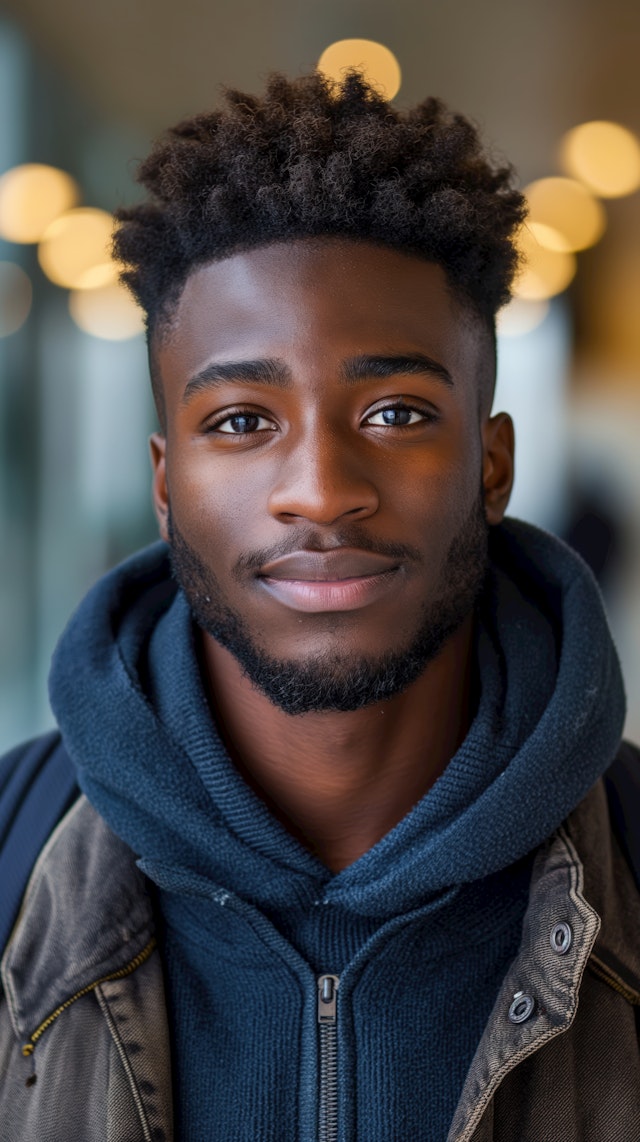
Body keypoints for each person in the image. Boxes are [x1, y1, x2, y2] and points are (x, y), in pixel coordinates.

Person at [1, 71, 639, 1142]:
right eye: (243, 420)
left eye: (393, 411)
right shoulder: (15, 865)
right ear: (165, 484)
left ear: (491, 464)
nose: (320, 486)